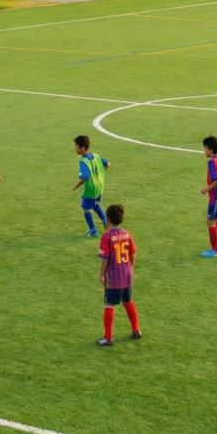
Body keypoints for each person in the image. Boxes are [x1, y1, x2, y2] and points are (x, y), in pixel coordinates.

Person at [96, 203, 141, 346]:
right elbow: (132, 253)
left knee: (109, 305)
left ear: (107, 219)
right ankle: (136, 330)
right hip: (127, 275)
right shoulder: (127, 234)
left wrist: (102, 275)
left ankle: (108, 338)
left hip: (114, 277)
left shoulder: (107, 237)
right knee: (128, 301)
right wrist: (130, 267)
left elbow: (105, 258)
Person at [71, 135, 110, 238]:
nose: (75, 149)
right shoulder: (96, 156)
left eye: (76, 146)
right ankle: (105, 220)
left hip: (90, 188)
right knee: (95, 203)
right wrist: (100, 173)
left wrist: (76, 186)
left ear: (82, 148)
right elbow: (108, 164)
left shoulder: (83, 161)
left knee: (86, 208)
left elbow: (85, 176)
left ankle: (93, 230)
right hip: (99, 186)